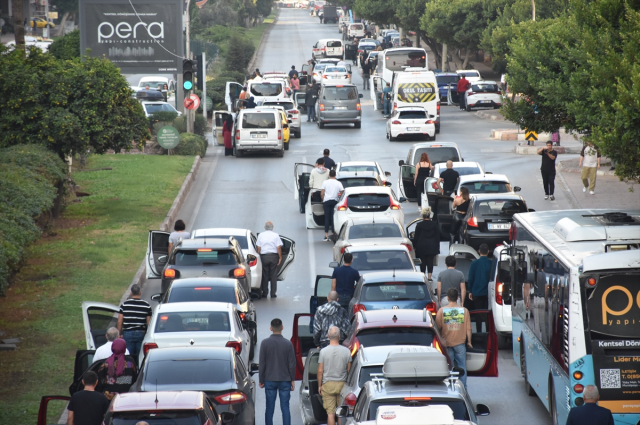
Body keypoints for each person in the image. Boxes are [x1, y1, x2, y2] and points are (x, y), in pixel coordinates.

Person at [259, 318, 296, 425]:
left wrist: (261, 379)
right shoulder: (288, 344)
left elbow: (262, 363)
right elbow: (291, 364)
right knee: (285, 407)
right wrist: (292, 379)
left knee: (269, 407)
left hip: (269, 379)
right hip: (285, 380)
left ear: (271, 328)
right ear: (282, 328)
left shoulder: (265, 343)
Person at [435, 288, 472, 389]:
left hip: (446, 344)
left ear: (447, 298)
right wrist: (469, 342)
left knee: (449, 368)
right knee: (462, 367)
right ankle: (463, 388)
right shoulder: (464, 311)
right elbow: (468, 328)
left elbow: (437, 328)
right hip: (460, 344)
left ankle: (450, 387)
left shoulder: (441, 311)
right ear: (457, 298)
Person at [317, 326, 352, 425]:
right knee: (341, 413)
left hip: (328, 385)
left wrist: (320, 385)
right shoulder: (346, 351)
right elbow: (349, 370)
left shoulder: (323, 352)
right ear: (339, 336)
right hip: (342, 385)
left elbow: (320, 371)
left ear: (328, 336)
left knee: (330, 413)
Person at [117, 284, 152, 358]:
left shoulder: (124, 305)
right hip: (141, 333)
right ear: (140, 292)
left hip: (128, 333)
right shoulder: (146, 305)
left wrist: (119, 333)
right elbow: (149, 323)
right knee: (141, 356)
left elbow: (120, 322)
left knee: (129, 355)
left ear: (131, 293)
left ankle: (130, 368)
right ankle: (139, 368)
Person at [256, 221, 283, 298]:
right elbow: (278, 247)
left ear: (265, 227)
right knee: (273, 275)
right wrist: (280, 257)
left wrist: (258, 256)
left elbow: (258, 247)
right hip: (273, 257)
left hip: (264, 257)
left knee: (265, 275)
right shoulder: (275, 235)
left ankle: (265, 293)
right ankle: (273, 294)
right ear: (272, 227)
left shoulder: (261, 235)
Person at [413, 207, 440, 281]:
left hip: (421, 245)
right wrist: (437, 248)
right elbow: (437, 237)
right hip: (431, 245)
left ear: (423, 215)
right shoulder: (434, 225)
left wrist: (414, 246)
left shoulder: (419, 225)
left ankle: (423, 275)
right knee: (430, 260)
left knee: (423, 261)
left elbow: (416, 237)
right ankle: (429, 277)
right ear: (429, 215)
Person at [468, 244, 491, 322]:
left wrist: (470, 291)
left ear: (479, 251)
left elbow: (471, 278)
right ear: (488, 252)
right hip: (488, 293)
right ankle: (488, 331)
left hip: (476, 292)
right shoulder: (491, 263)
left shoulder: (474, 263)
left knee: (478, 313)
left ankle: (479, 331)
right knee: (487, 313)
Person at [321, 170, 344, 241]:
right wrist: (338, 196)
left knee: (327, 218)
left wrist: (322, 200)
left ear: (329, 175)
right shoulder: (338, 183)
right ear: (335, 175)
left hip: (327, 201)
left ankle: (326, 235)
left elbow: (322, 193)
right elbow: (342, 192)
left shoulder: (325, 182)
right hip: (335, 201)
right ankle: (333, 234)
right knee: (333, 218)